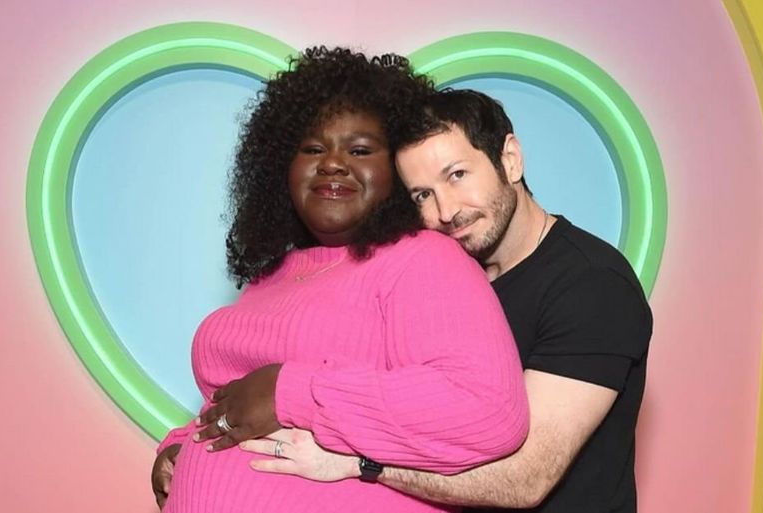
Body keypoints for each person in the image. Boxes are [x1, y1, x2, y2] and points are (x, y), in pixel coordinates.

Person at [235, 89, 653, 512]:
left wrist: (360, 463)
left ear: (510, 160)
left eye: (457, 175)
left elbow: (526, 479)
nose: (446, 210)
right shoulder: (439, 281)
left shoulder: (592, 284)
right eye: (422, 195)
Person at [150, 50, 529, 512]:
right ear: (279, 169)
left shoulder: (423, 259)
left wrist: (292, 392)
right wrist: (184, 446)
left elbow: (485, 411)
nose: (332, 163)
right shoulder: (273, 275)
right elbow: (241, 403)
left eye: (360, 150)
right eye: (313, 149)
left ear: (397, 174)